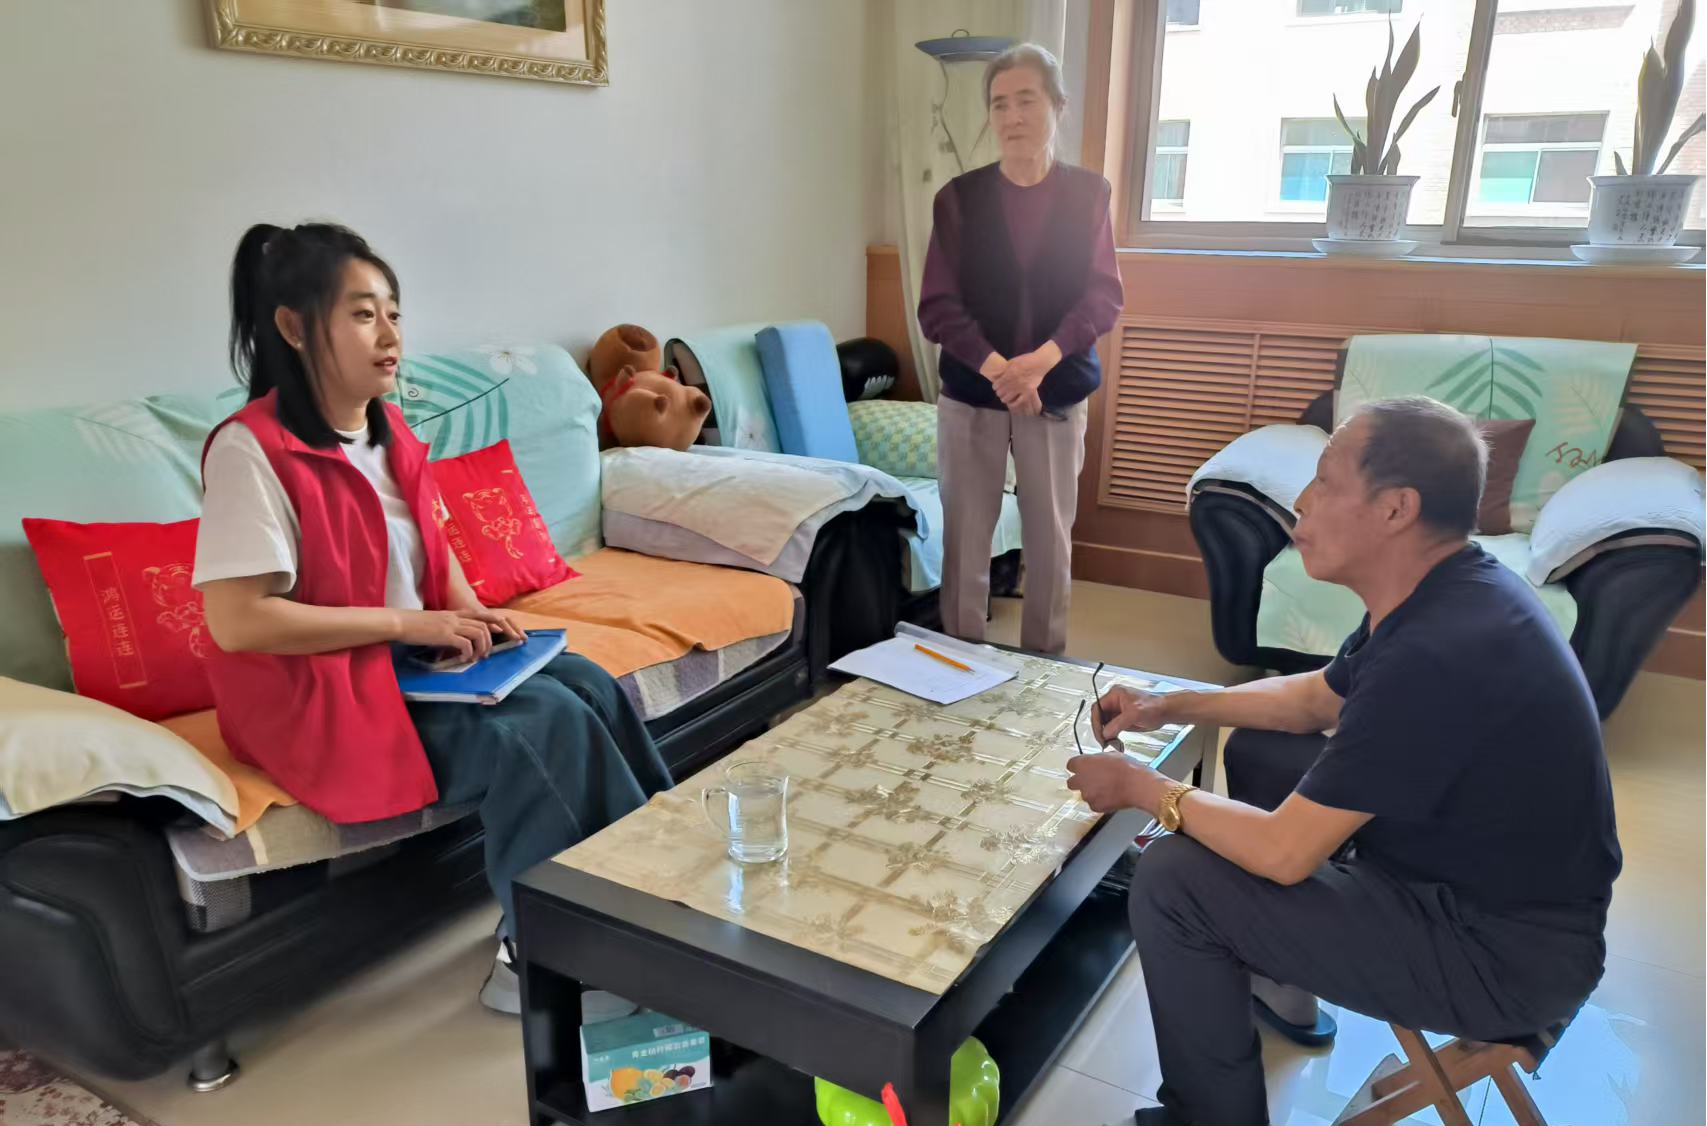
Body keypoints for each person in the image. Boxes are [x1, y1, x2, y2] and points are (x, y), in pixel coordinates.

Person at [1066, 397, 1621, 1126]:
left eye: (1325, 481)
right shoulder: (1448, 589)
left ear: (1395, 509)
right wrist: (1169, 704)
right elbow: (1314, 700)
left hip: (1500, 960)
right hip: (1475, 895)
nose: (1301, 500)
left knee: (1173, 878)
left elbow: (1283, 852)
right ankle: (1283, 989)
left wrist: (1144, 787)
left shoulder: (1437, 653)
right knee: (1265, 749)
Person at [194, 222, 671, 1015]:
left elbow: (434, 554)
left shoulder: (391, 435)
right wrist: (405, 626)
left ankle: (655, 894)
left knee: (585, 683)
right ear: (293, 327)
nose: (390, 336)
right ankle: (540, 956)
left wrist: (473, 617)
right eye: (362, 315)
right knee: (536, 726)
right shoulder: (250, 451)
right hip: (314, 699)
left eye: (394, 313)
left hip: (403, 670)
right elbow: (240, 622)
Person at [918, 42, 1124, 656]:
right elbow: (937, 306)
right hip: (971, 393)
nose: (1012, 116)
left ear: (1058, 106)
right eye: (999, 104)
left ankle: (1044, 666)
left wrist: (1039, 363)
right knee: (965, 540)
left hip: (1056, 390)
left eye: (1026, 100)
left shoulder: (1089, 195)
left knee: (1051, 539)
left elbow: (1102, 296)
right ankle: (959, 661)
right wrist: (1001, 371)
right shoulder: (958, 198)